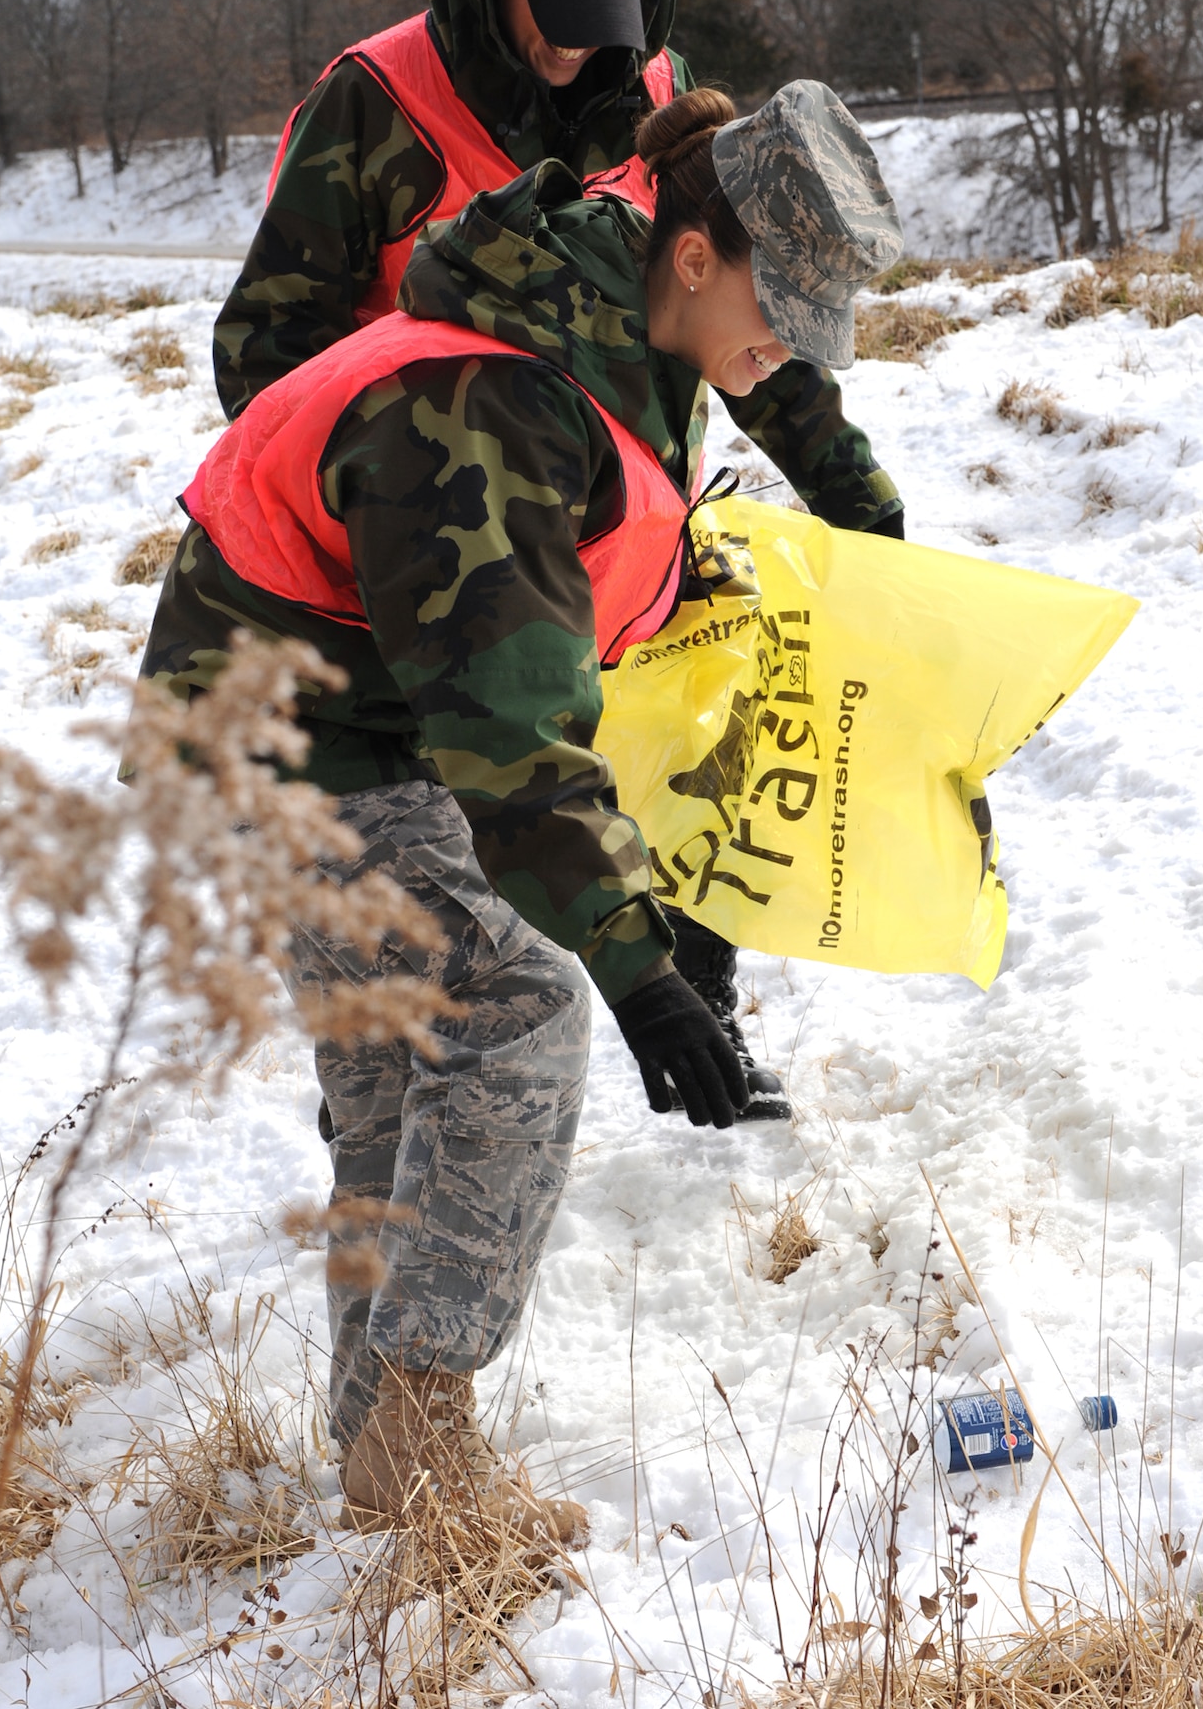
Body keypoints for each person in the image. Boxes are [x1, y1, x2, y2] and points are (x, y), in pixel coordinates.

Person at [140, 80, 904, 1533]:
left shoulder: (613, 339)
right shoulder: (491, 404)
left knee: (396, 1076)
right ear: (694, 254)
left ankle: (385, 1460)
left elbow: (544, 663)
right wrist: (635, 965)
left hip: (354, 721)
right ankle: (419, 1436)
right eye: (783, 304)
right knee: (514, 1011)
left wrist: (655, 906)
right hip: (288, 738)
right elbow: (510, 730)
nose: (792, 348)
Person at [213, 0, 907, 1102]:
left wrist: (854, 494)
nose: (594, 34)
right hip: (423, 548)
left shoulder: (651, 91)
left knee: (706, 736)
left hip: (607, 510)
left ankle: (691, 994)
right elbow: (261, 356)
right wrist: (406, 479)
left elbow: (743, 303)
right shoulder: (375, 103)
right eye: (561, 1)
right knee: (449, 841)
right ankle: (396, 1095)